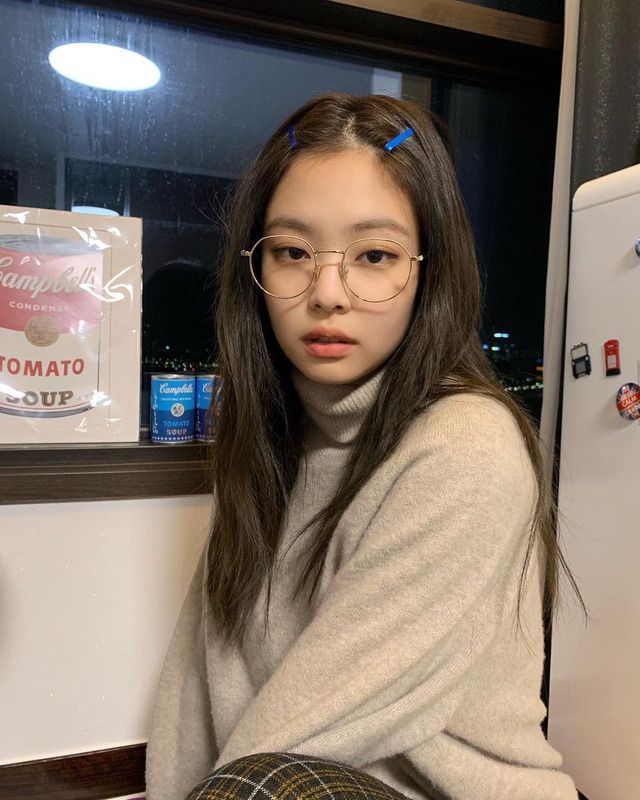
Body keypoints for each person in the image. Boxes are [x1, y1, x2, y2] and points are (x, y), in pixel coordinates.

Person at [145, 92, 580, 800]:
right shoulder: (266, 440)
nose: (327, 291)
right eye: (292, 252)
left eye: (374, 255)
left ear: (428, 271)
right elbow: (197, 689)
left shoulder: (466, 445)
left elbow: (295, 742)